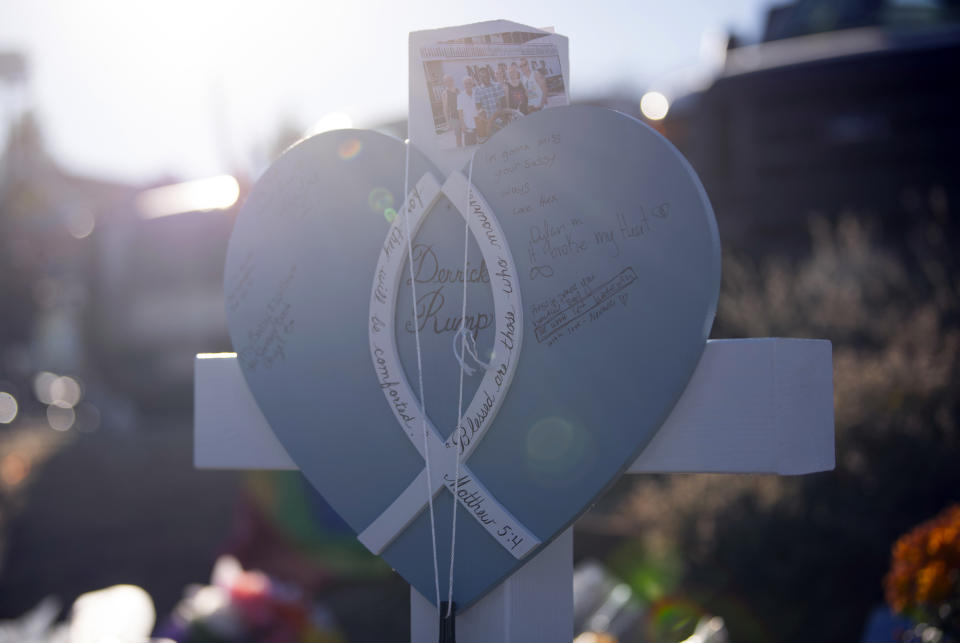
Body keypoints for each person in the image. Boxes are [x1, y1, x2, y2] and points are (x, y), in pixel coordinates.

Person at [473, 66, 504, 141]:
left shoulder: (497, 86)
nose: (484, 77)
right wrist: (487, 121)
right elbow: (479, 108)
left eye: (486, 74)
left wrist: (500, 117)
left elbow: (503, 103)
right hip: (488, 124)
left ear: (489, 75)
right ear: (480, 78)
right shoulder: (478, 90)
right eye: (482, 76)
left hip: (501, 121)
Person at [457, 75, 480, 146]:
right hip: (468, 125)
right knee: (469, 146)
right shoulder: (460, 96)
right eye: (465, 83)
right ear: (463, 85)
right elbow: (460, 112)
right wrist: (463, 125)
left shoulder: (477, 93)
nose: (468, 85)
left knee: (480, 145)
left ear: (472, 84)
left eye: (469, 83)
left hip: (479, 124)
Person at [442, 74, 462, 147]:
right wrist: (448, 122)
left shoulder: (458, 90)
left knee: (468, 134)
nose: (449, 82)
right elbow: (445, 109)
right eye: (446, 81)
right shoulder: (445, 93)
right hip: (454, 117)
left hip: (462, 115)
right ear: (444, 82)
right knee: (458, 136)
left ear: (453, 80)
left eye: (450, 80)